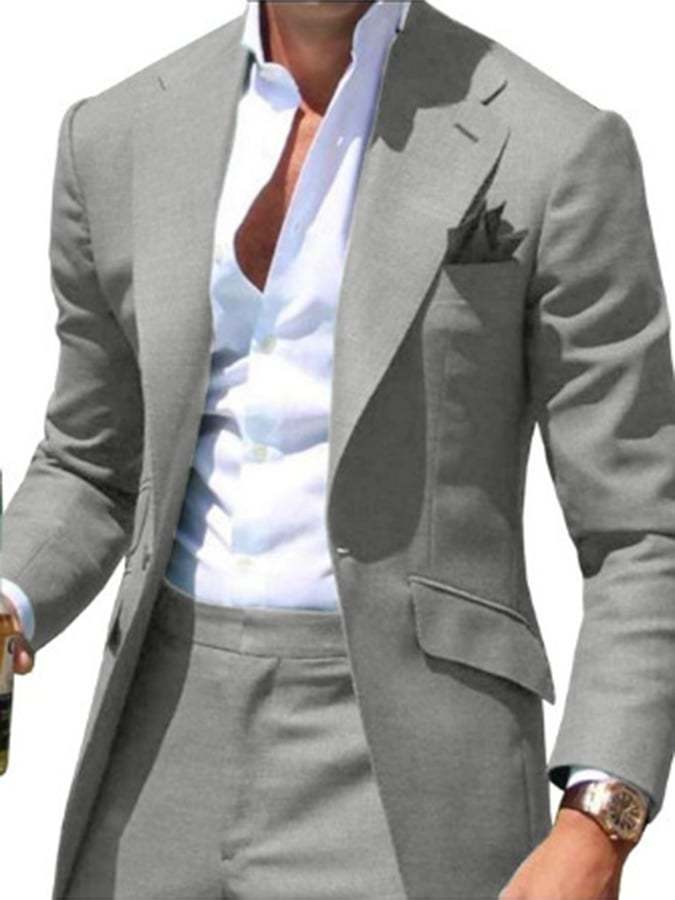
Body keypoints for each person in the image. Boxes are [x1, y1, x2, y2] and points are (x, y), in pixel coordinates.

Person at [2, 1, 674, 897]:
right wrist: (9, 594)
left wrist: (600, 815)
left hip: (413, 769)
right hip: (157, 743)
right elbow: (91, 462)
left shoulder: (557, 145)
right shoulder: (115, 133)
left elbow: (641, 526)